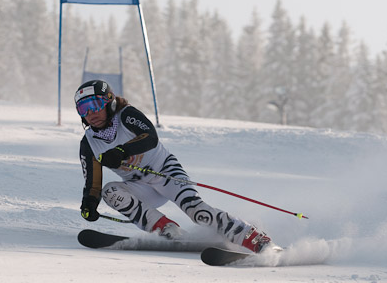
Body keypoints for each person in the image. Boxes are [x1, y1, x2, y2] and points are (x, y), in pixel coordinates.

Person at [76, 79, 274, 253]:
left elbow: (150, 138)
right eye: (83, 109)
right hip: (140, 187)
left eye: (94, 105)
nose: (90, 114)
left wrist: (122, 151)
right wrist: (89, 204)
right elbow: (93, 183)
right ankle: (167, 229)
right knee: (109, 191)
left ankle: (253, 237)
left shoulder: (126, 115)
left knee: (197, 212)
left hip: (165, 172)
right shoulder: (89, 143)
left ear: (109, 101)